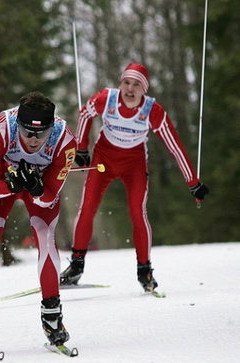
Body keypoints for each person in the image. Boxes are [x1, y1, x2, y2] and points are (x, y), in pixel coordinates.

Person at [60, 63, 209, 292]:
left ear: (144, 90)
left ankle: (144, 269)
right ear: (120, 84)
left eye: (136, 85)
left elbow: (175, 147)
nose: (130, 89)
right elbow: (84, 114)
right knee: (87, 207)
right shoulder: (106, 99)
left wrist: (193, 183)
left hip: (134, 163)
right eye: (126, 83)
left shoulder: (153, 111)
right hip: (103, 160)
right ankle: (76, 266)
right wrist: (81, 149)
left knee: (138, 213)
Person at [0, 91, 77, 349]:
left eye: (41, 134)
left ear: (51, 128)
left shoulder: (64, 141)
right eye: (27, 133)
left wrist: (35, 189)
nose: (34, 141)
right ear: (18, 125)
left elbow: (49, 197)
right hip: (2, 182)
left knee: (45, 236)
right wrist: (13, 183)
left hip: (40, 186)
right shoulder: (0, 129)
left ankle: (53, 318)